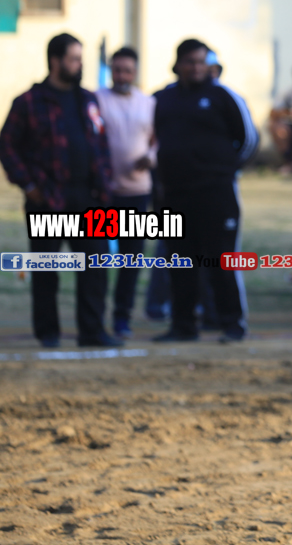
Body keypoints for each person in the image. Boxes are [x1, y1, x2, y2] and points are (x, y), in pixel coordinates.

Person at [0, 33, 120, 348]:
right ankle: (48, 333)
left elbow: (100, 143)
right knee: (47, 269)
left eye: (80, 58)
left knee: (95, 266)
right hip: (48, 200)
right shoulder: (29, 102)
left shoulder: (88, 99)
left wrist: (105, 182)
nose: (80, 64)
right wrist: (28, 184)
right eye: (74, 59)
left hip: (89, 199)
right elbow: (7, 146)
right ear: (56, 61)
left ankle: (93, 332)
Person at [152, 39, 260, 343]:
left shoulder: (223, 96)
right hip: (175, 196)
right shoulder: (162, 99)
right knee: (180, 262)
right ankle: (183, 325)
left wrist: (226, 171)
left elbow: (249, 140)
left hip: (216, 194)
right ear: (177, 65)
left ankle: (232, 324)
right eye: (190, 62)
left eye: (201, 62)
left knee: (222, 260)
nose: (196, 68)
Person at [96, 46, 156, 339]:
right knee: (97, 259)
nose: (122, 76)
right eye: (117, 70)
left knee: (131, 260)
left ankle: (122, 318)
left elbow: (157, 140)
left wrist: (151, 158)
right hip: (103, 193)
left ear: (135, 72)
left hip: (136, 193)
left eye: (127, 71)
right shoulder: (96, 100)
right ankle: (94, 317)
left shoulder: (149, 103)